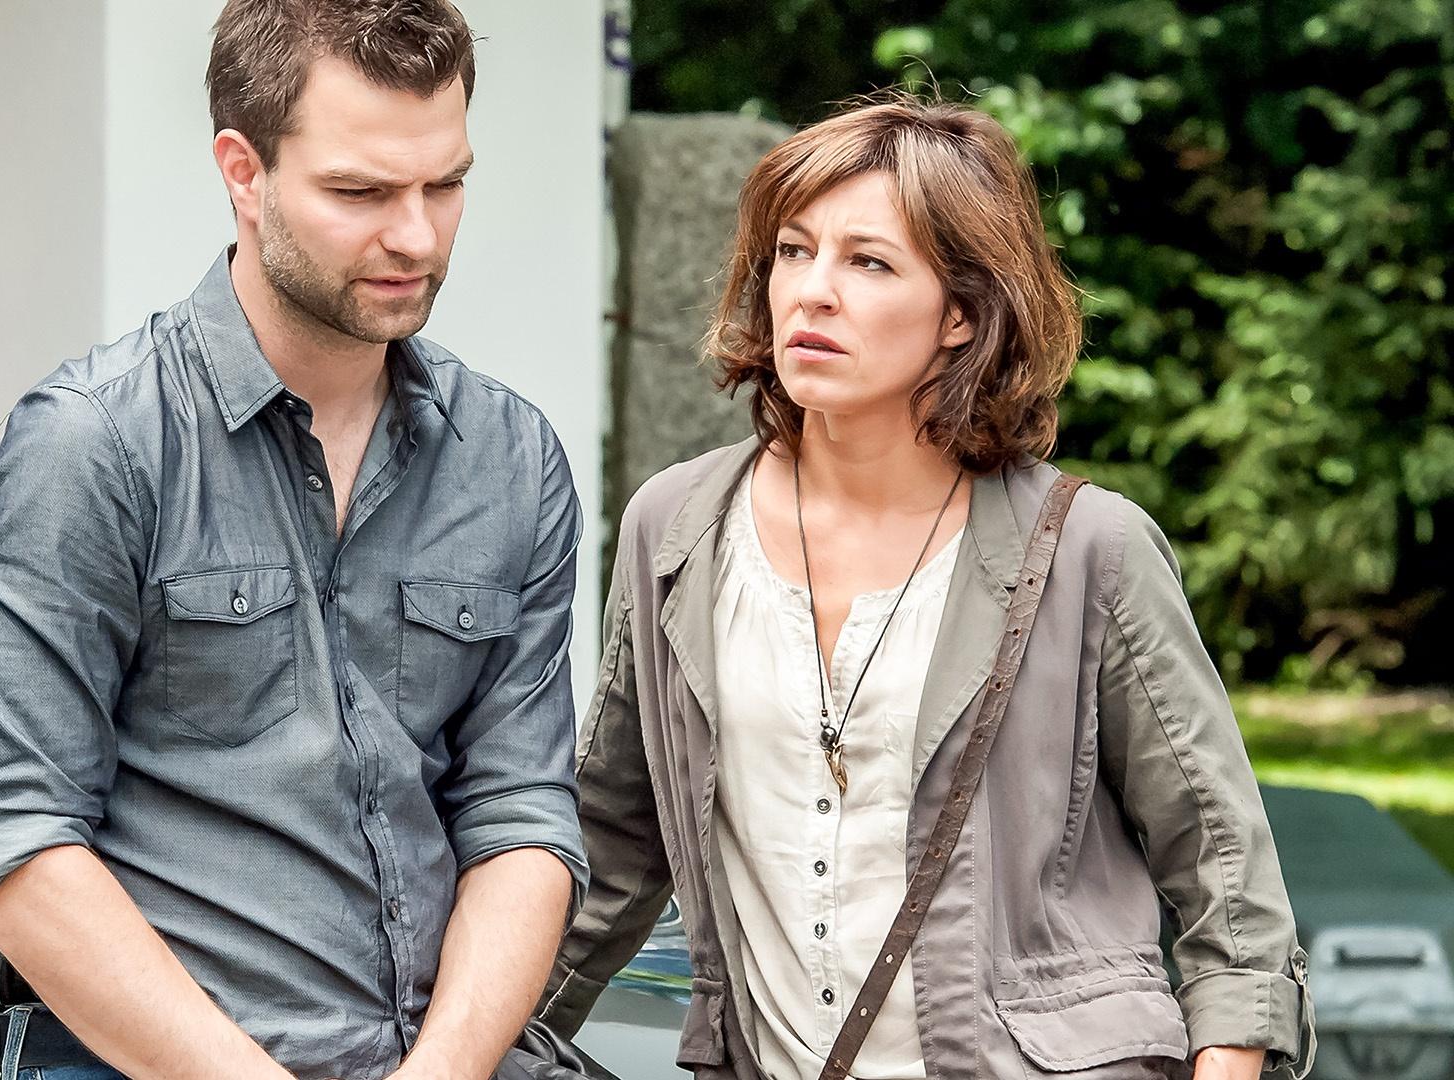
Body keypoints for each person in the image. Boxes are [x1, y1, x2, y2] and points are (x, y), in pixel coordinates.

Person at [539, 94, 1311, 1080]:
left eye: (868, 262)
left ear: (960, 313)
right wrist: (466, 1048)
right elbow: (609, 843)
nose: (812, 292)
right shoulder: (675, 529)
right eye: (792, 250)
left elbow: (1227, 887)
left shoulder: (1089, 550)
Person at [0, 3, 594, 1077]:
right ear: (243, 173)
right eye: (360, 192)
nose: (417, 236)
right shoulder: (94, 446)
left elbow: (519, 810)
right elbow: (15, 839)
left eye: (446, 185)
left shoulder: (511, 457)